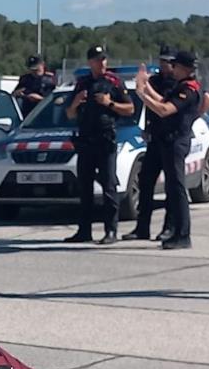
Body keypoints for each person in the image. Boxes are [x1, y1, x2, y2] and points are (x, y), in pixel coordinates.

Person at [64, 45, 134, 244]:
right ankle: (84, 231)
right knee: (84, 188)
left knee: (109, 187)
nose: (102, 63)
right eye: (97, 59)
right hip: (86, 141)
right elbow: (69, 114)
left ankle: (111, 231)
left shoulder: (114, 82)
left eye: (104, 59)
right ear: (90, 62)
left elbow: (130, 109)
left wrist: (109, 103)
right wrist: (76, 101)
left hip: (105, 141)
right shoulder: (82, 84)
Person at [136, 50, 201, 250]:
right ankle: (177, 233)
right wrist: (146, 86)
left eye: (176, 65)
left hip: (176, 142)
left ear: (184, 68)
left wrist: (140, 94)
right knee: (172, 188)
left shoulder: (188, 89)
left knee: (177, 189)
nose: (173, 68)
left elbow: (164, 110)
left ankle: (182, 234)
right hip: (168, 141)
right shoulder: (181, 86)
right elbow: (163, 101)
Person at [123, 45, 176, 241]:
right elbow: (147, 104)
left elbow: (163, 102)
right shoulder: (155, 80)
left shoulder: (175, 83)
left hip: (170, 139)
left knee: (171, 186)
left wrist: (146, 87)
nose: (164, 65)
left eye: (168, 62)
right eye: (162, 61)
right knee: (145, 183)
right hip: (154, 139)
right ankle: (142, 227)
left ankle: (169, 227)